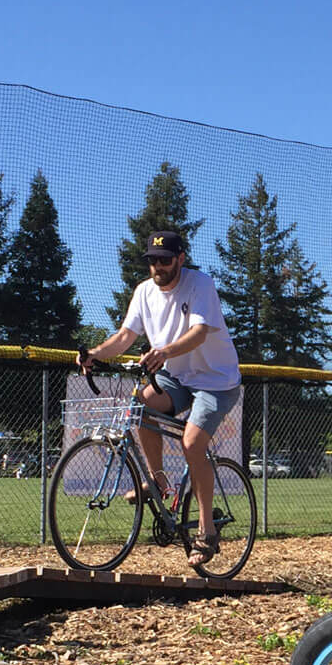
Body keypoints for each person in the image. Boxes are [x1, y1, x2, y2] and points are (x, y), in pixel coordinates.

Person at [77, 230, 243, 569]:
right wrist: (94, 352)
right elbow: (125, 336)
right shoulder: (143, 292)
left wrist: (163, 351)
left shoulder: (201, 285)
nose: (158, 267)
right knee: (140, 407)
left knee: (192, 442)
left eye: (165, 260)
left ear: (181, 258)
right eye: (152, 261)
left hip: (217, 380)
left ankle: (207, 531)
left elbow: (198, 333)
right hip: (177, 376)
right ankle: (157, 480)